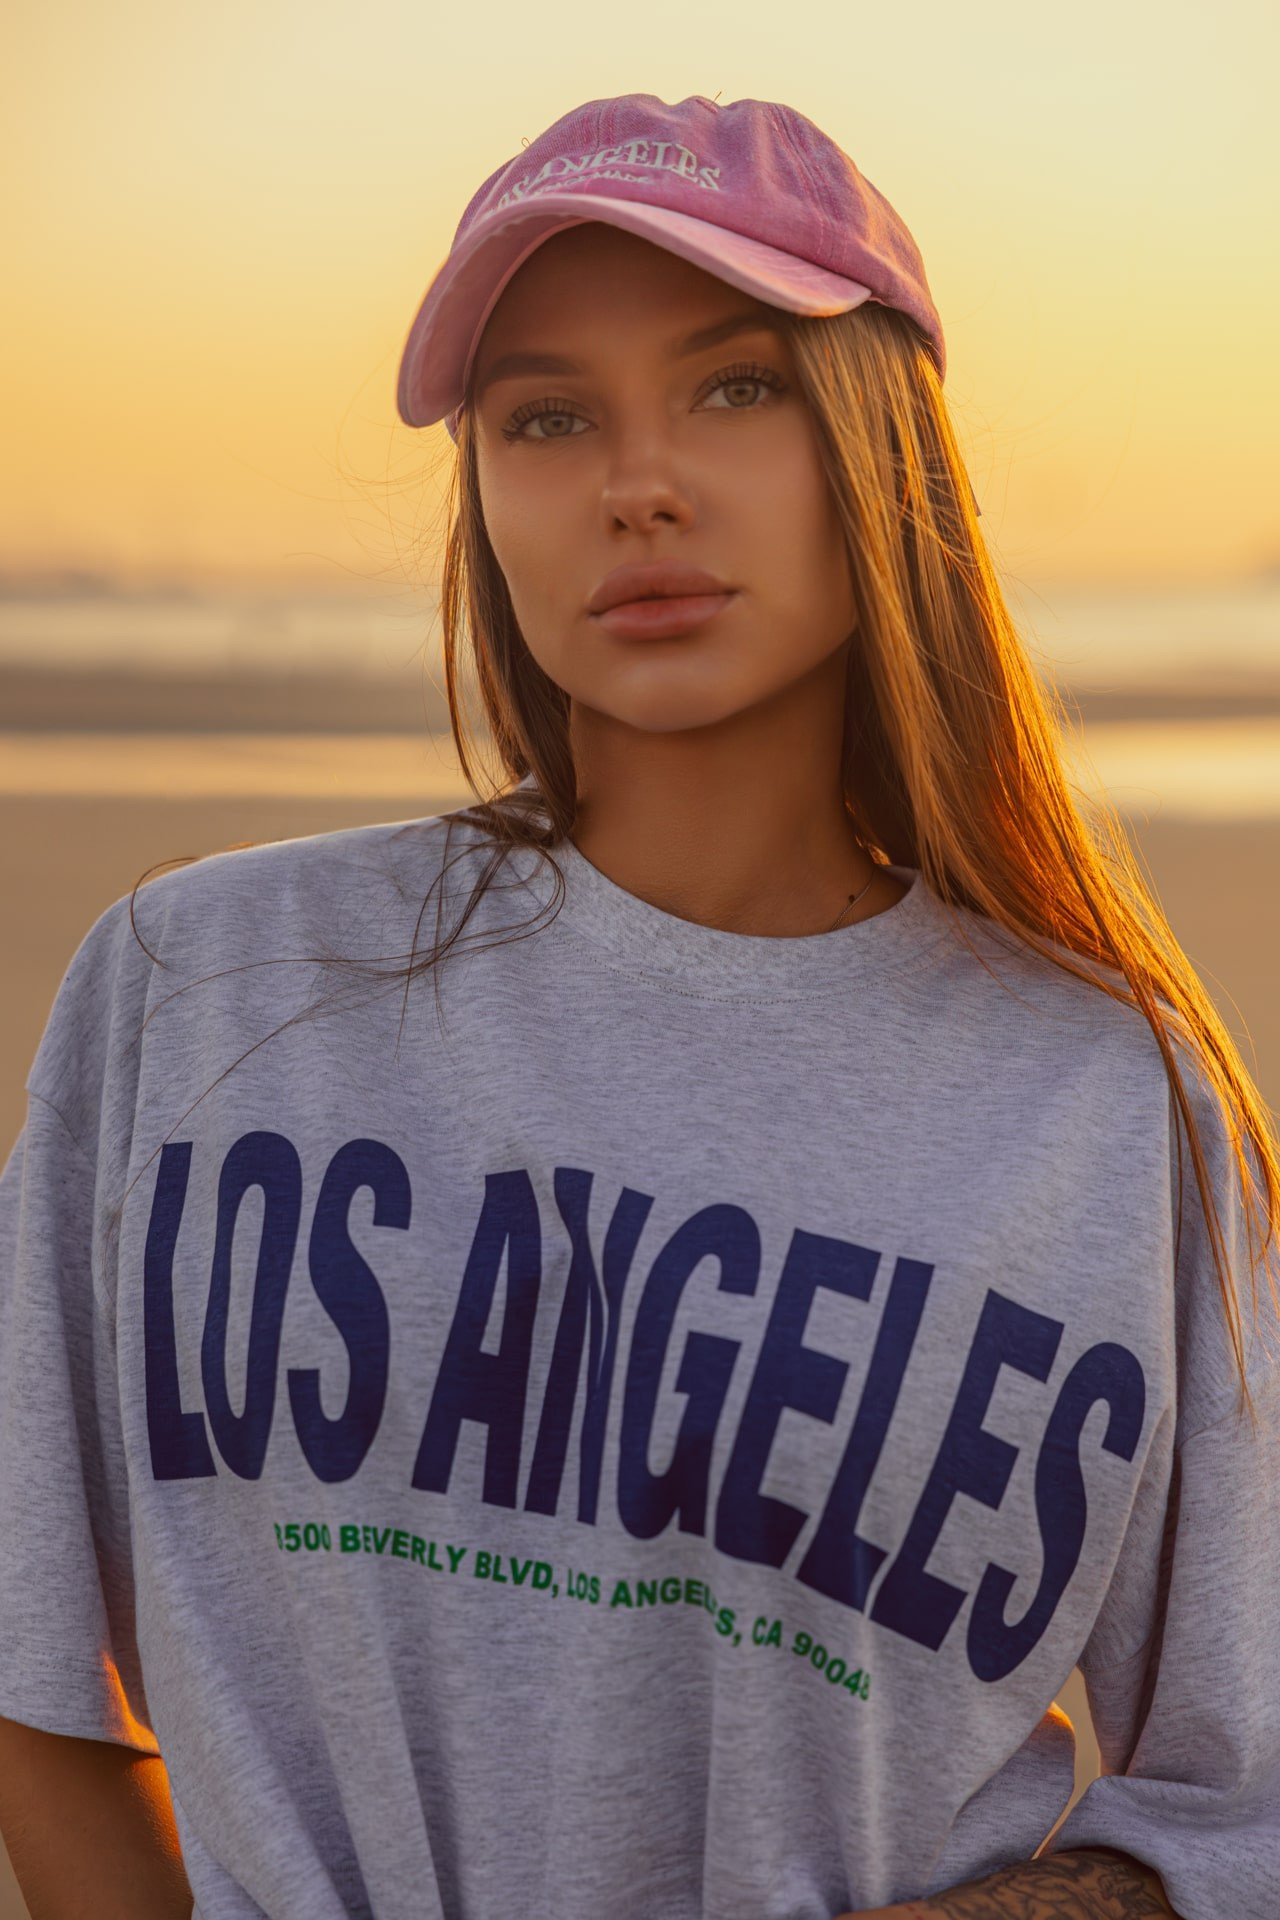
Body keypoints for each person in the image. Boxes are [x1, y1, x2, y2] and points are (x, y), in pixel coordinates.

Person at [0, 90, 1277, 1920]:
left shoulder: (1113, 1104)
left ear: (886, 451)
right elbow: (31, 1649)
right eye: (545, 417)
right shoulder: (206, 986)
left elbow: (1239, 1807)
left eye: (738, 386)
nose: (639, 480)